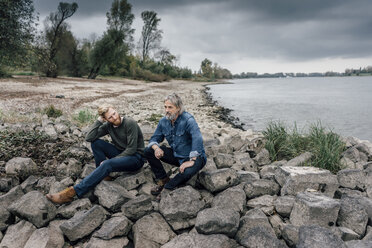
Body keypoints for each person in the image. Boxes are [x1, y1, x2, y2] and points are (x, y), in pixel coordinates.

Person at [46, 104, 145, 204]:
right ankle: (103, 174)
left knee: (107, 164)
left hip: (136, 158)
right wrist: (98, 121)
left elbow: (131, 149)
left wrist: (111, 161)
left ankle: (71, 193)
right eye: (110, 117)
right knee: (96, 143)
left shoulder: (129, 123)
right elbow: (89, 137)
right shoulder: (109, 125)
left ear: (116, 110)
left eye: (114, 113)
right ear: (105, 119)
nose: (114, 117)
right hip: (121, 154)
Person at [144, 93, 207, 198]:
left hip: (195, 157)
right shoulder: (163, 121)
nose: (167, 110)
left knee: (187, 172)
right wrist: (156, 148)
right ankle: (164, 179)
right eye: (165, 107)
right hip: (176, 155)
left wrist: (192, 160)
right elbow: (154, 138)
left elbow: (197, 138)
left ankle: (168, 187)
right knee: (148, 150)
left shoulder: (188, 119)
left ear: (178, 108)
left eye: (170, 107)